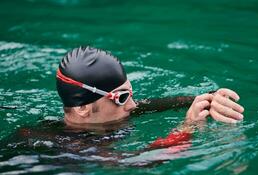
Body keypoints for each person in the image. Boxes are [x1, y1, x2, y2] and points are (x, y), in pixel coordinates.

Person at [55, 46, 244, 148]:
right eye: (121, 98)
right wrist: (188, 126)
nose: (132, 105)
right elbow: (139, 163)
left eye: (130, 93)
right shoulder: (68, 147)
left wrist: (212, 98)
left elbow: (175, 102)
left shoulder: (121, 111)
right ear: (82, 108)